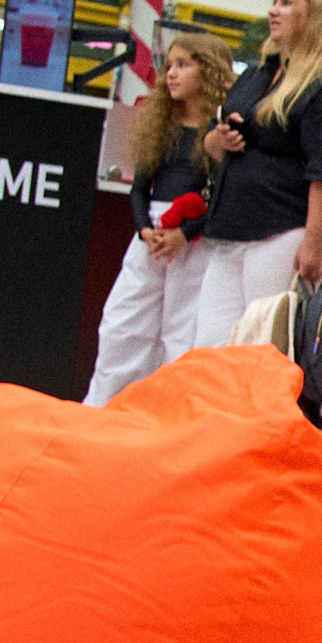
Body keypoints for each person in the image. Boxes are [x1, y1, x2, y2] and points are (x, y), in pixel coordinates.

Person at [192, 0, 322, 348]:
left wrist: (313, 242)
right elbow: (213, 144)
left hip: (286, 225)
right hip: (233, 225)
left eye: (286, 3)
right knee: (209, 343)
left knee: (261, 343)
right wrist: (218, 140)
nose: (273, 11)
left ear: (312, 16)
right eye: (274, 1)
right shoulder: (257, 73)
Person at [84, 31, 232, 403]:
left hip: (196, 239)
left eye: (183, 65)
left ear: (209, 72)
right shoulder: (161, 125)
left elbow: (223, 196)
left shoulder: (220, 132)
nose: (172, 74)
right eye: (169, 66)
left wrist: (185, 232)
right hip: (152, 235)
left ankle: (165, 412)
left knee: (182, 332)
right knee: (122, 322)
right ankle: (105, 405)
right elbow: (139, 189)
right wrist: (144, 229)